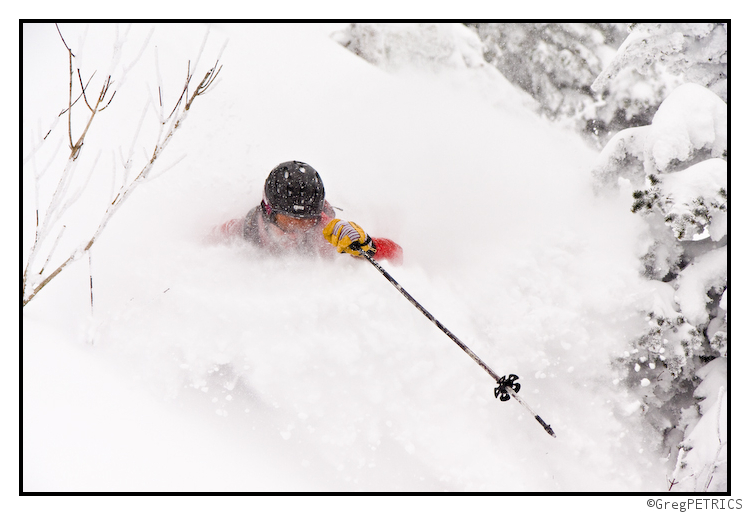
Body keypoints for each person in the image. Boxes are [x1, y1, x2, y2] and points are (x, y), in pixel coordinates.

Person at [206, 161, 403, 264]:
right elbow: (210, 238)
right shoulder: (248, 229)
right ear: (268, 213)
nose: (293, 233)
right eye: (286, 223)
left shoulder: (327, 233)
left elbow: (396, 254)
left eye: (305, 223)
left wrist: (368, 246)